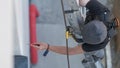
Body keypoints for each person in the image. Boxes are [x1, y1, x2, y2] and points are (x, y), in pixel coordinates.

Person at [31, 0, 116, 67]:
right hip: (94, 18)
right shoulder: (101, 11)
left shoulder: (99, 45)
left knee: (98, 54)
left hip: (97, 49)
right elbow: (83, 1)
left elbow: (70, 51)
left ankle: (97, 56)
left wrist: (47, 46)